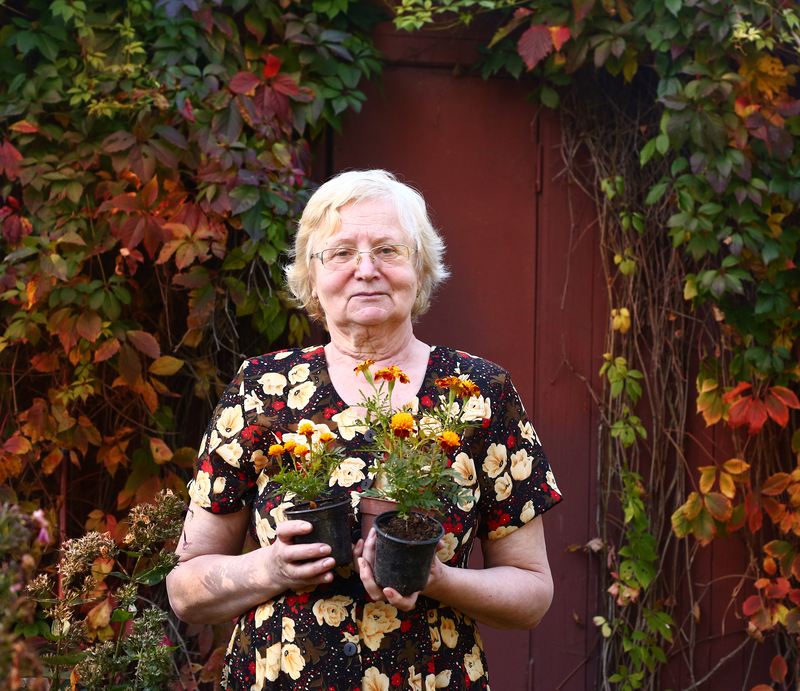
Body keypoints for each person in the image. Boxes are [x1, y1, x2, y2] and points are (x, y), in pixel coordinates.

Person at [166, 170, 563, 691]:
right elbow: (186, 588)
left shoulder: (479, 391)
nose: (366, 270)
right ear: (312, 275)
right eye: (341, 253)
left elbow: (532, 593)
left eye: (388, 250)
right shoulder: (261, 388)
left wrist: (439, 579)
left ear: (420, 269)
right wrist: (272, 568)